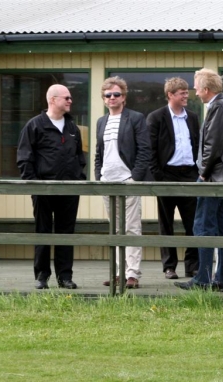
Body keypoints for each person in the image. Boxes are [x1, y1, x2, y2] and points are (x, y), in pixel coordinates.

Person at [175, 68, 223, 293]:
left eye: (197, 88)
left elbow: (212, 144)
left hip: (214, 177)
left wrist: (203, 173)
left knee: (203, 225)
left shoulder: (219, 107)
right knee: (221, 228)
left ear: (206, 89)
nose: (195, 93)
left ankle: (203, 279)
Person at [17, 84, 86, 290]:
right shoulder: (34, 125)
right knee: (43, 231)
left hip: (69, 190)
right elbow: (24, 158)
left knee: (66, 233)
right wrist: (34, 184)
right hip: (43, 190)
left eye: (70, 98)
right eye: (66, 98)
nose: (70, 101)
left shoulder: (73, 128)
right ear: (53, 100)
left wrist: (78, 179)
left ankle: (65, 277)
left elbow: (79, 157)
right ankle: (42, 276)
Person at [95, 76, 151, 289]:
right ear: (103, 98)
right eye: (108, 95)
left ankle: (132, 274)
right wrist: (98, 176)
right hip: (107, 182)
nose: (112, 98)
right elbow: (99, 152)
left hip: (128, 181)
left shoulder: (135, 118)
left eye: (116, 94)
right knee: (115, 230)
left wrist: (134, 178)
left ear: (124, 97)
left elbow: (144, 150)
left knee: (132, 228)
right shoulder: (101, 121)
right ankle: (119, 272)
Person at [147, 77, 200, 280]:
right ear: (170, 95)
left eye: (187, 92)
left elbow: (198, 145)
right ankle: (169, 266)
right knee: (166, 223)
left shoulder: (192, 117)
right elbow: (150, 150)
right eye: (182, 93)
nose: (186, 96)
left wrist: (197, 172)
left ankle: (192, 266)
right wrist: (158, 176)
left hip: (190, 175)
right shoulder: (156, 117)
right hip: (166, 175)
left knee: (193, 223)